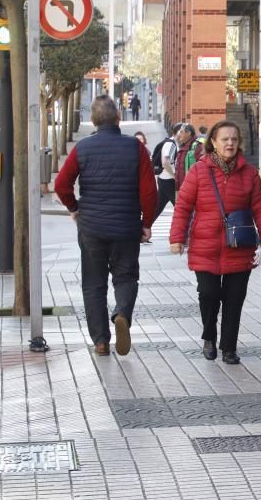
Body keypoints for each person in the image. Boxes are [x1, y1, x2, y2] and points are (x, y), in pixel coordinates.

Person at [55, 95, 158, 356]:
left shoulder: (83, 148)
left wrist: (74, 208)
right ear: (118, 118)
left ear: (93, 120)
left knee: (93, 283)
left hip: (91, 227)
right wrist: (146, 223)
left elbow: (61, 185)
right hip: (125, 227)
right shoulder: (136, 148)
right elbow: (149, 191)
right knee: (125, 276)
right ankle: (122, 312)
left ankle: (101, 341)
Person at [169, 121, 261, 365]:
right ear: (213, 143)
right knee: (208, 294)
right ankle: (209, 336)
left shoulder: (249, 173)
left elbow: (260, 206)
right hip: (205, 246)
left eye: (234, 139)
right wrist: (177, 238)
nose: (230, 143)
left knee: (234, 298)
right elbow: (183, 206)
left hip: (239, 246)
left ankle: (229, 347)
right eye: (225, 139)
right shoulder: (199, 170)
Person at [153, 123, 182, 218]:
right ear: (176, 133)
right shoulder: (171, 143)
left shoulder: (173, 143)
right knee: (180, 208)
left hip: (164, 179)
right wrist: (174, 175)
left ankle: (144, 227)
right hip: (169, 180)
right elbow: (165, 161)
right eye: (181, 131)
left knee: (157, 207)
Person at [173, 123, 199, 191]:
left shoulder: (197, 146)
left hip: (191, 189)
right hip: (182, 187)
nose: (179, 134)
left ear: (189, 133)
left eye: (181, 132)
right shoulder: (183, 145)